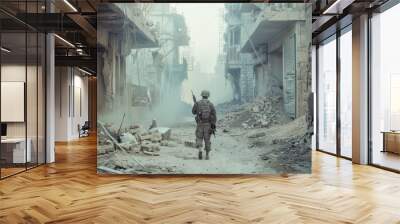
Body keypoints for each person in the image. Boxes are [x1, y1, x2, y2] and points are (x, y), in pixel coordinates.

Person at [192, 90, 217, 160]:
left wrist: (195, 104)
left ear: (202, 95)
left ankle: (200, 150)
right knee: (207, 139)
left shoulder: (198, 103)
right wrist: (213, 125)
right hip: (208, 125)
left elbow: (193, 112)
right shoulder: (210, 104)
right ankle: (207, 155)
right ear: (208, 96)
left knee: (199, 137)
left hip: (200, 124)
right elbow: (214, 115)